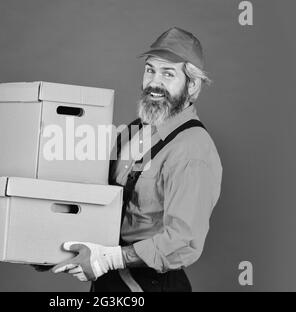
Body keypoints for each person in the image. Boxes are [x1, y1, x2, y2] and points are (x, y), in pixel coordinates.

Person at [50, 27, 223, 292]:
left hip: (151, 284)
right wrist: (51, 247)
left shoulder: (192, 151)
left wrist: (109, 259)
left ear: (193, 84)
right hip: (110, 280)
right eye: (150, 70)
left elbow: (182, 241)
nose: (154, 82)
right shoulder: (136, 131)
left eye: (168, 73)